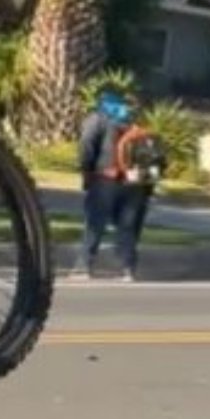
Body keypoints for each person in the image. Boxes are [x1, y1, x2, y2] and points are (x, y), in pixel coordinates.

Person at [77, 91, 165, 281]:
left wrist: (86, 171)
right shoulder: (136, 122)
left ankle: (84, 267)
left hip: (106, 178)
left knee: (95, 223)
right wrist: (148, 187)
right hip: (135, 182)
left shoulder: (98, 118)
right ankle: (128, 269)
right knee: (127, 226)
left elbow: (86, 144)